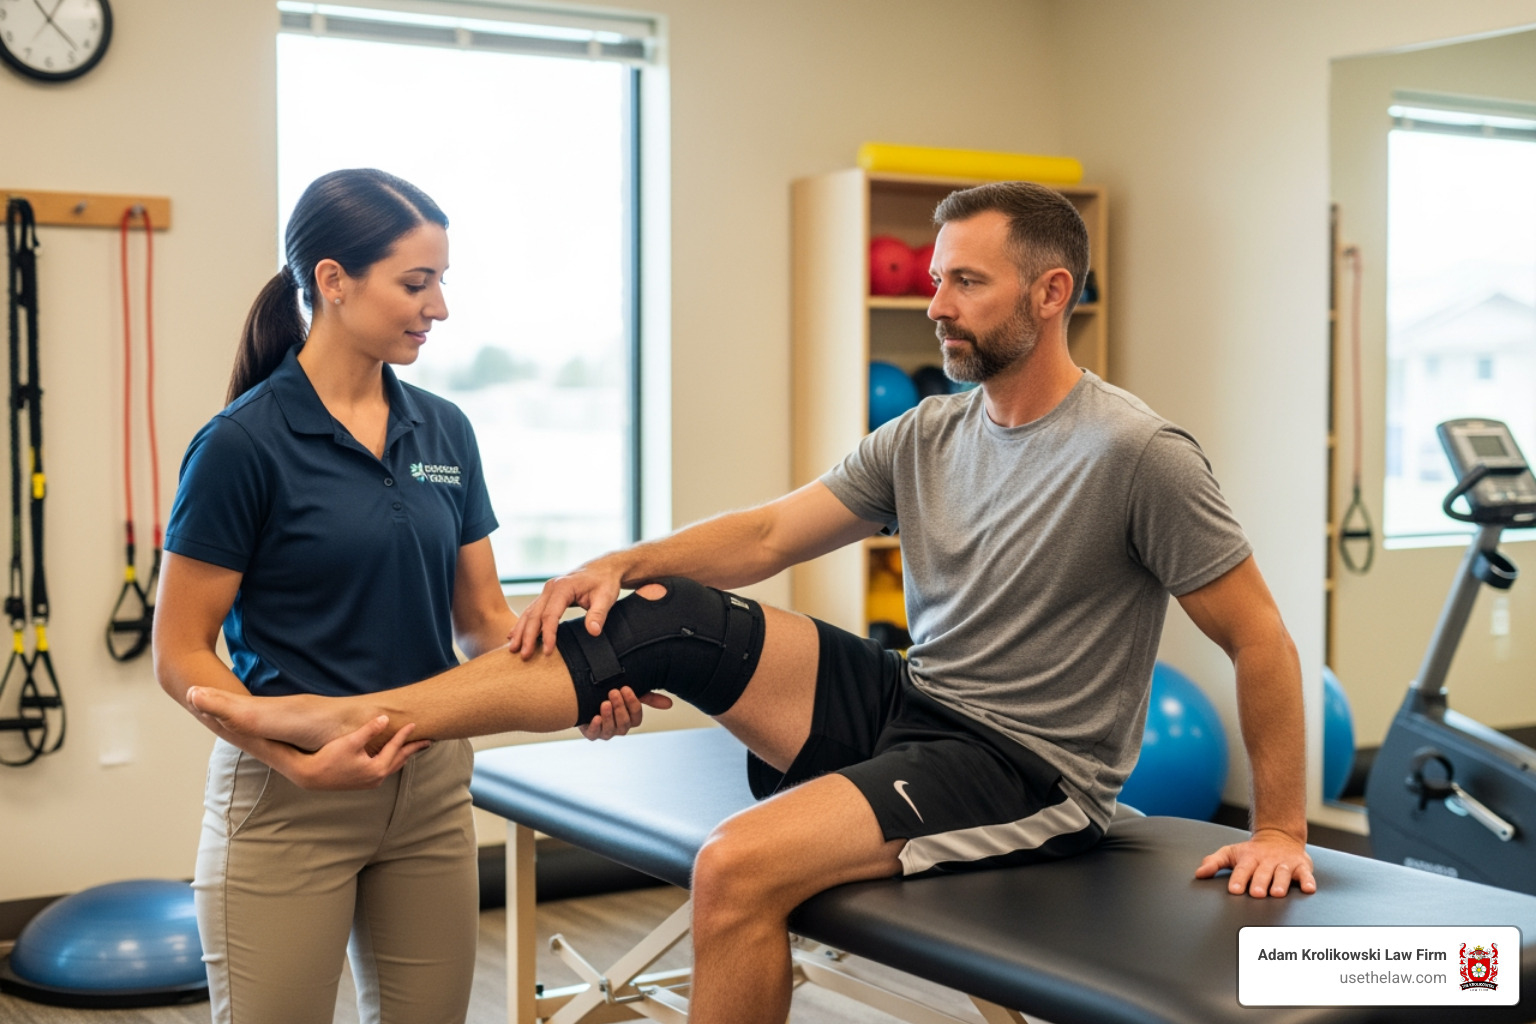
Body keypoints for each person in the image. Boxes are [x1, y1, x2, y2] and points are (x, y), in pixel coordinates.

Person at [184, 180, 1316, 1024]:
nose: (934, 301)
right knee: (660, 608)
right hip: (914, 701)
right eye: (933, 277)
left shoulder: (1137, 453)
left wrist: (1277, 827)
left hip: (1022, 761)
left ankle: (368, 715)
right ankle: (384, 711)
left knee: (731, 865)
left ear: (1050, 291)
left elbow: (1257, 633)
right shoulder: (932, 429)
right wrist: (619, 564)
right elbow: (773, 533)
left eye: (963, 280)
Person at [153, 168, 639, 1024]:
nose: (439, 307)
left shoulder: (444, 428)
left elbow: (485, 622)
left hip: (432, 779)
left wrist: (593, 678)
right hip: (289, 797)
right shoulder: (241, 446)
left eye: (441, 281)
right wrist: (290, 757)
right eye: (417, 283)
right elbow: (180, 654)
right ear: (332, 281)